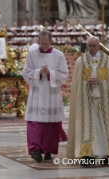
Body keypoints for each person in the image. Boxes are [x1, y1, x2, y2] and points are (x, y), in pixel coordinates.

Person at [66, 36, 109, 165]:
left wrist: (100, 82)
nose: (91, 48)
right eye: (89, 46)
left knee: (104, 127)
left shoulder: (108, 61)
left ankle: (105, 154)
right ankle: (87, 156)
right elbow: (76, 84)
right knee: (88, 128)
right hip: (87, 101)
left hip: (105, 102)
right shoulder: (81, 61)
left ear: (99, 46)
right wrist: (86, 82)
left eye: (94, 46)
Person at [22, 31, 69, 163]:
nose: (44, 46)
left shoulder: (58, 55)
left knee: (50, 123)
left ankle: (48, 150)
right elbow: (26, 73)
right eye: (42, 43)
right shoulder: (32, 54)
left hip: (51, 93)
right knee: (35, 122)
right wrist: (38, 72)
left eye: (46, 43)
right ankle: (36, 149)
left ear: (51, 41)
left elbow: (64, 74)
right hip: (37, 92)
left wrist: (50, 73)